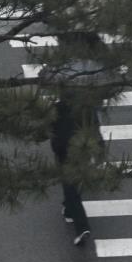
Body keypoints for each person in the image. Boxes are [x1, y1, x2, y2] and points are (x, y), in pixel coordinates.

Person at [50, 94, 98, 246]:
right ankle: (68, 209)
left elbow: (52, 131)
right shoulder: (88, 107)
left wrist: (56, 148)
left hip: (64, 152)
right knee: (74, 183)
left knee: (70, 188)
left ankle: (82, 226)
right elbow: (94, 128)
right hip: (83, 149)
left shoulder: (57, 108)